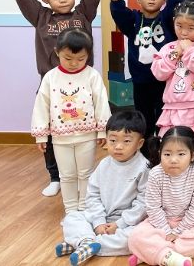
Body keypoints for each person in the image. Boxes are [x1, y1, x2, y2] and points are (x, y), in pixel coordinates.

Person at [14, 0, 102, 197]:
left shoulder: (83, 14)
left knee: (82, 127)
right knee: (51, 131)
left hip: (82, 82)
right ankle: (55, 176)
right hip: (51, 84)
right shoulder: (41, 17)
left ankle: (83, 173)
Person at [30, 28, 110, 213]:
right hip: (60, 138)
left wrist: (102, 130)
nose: (74, 63)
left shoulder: (92, 75)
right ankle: (71, 211)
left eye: (81, 59)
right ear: (57, 52)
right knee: (66, 175)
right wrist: (41, 135)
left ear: (88, 55)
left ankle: (85, 209)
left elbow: (101, 103)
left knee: (86, 174)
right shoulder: (50, 77)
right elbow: (41, 105)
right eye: (68, 58)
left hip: (87, 136)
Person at [55, 111, 149, 265]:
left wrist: (120, 224)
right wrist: (98, 222)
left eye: (126, 141)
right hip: (101, 217)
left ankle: (81, 243)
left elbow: (144, 203)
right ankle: (86, 241)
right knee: (71, 218)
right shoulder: (104, 164)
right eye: (112, 140)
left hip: (127, 222)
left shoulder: (144, 168)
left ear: (139, 144)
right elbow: (92, 195)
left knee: (137, 236)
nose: (118, 146)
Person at [109, 0, 189, 146]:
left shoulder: (167, 19)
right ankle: (145, 153)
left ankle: (164, 152)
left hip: (166, 82)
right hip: (141, 82)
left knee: (165, 120)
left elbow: (174, 2)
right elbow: (118, 11)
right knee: (144, 121)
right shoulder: (133, 20)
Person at [128, 126, 194, 266]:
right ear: (160, 153)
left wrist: (178, 232)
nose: (173, 160)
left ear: (192, 155)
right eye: (167, 154)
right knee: (135, 237)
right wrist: (167, 232)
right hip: (160, 221)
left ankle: (154, 253)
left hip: (189, 223)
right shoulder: (156, 173)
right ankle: (168, 256)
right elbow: (153, 207)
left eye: (181, 154)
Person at [151, 0, 194, 138]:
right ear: (173, 21)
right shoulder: (168, 48)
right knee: (175, 145)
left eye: (191, 28)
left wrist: (189, 50)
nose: (184, 32)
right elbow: (159, 74)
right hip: (174, 108)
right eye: (179, 26)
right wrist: (174, 54)